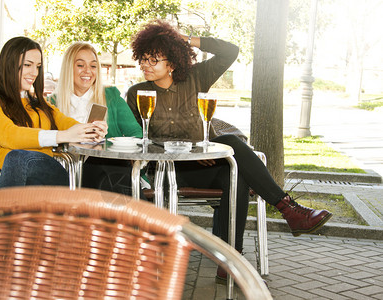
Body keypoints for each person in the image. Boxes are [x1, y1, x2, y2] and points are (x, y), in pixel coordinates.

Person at [126, 20, 332, 282]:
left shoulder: (196, 78)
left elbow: (230, 51)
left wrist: (185, 39)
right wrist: (190, 150)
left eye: (153, 59)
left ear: (172, 63)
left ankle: (233, 253)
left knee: (235, 168)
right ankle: (276, 219)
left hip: (208, 164)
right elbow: (140, 138)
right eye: (142, 60)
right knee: (237, 169)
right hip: (171, 170)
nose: (145, 65)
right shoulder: (136, 93)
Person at [0, 36, 107, 188]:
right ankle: (5, 208)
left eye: (38, 66)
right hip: (6, 179)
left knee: (19, 157)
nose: (34, 73)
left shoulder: (40, 105)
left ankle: (1, 210)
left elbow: (66, 122)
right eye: (28, 65)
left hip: (47, 177)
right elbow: (8, 136)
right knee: (17, 157)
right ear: (9, 64)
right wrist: (63, 136)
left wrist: (90, 130)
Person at [51, 41, 146, 195]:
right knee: (106, 172)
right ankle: (142, 216)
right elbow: (45, 142)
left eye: (93, 66)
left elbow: (137, 135)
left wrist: (110, 143)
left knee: (106, 168)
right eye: (80, 65)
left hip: (110, 168)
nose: (88, 71)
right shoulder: (52, 103)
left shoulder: (111, 95)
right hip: (69, 171)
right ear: (69, 68)